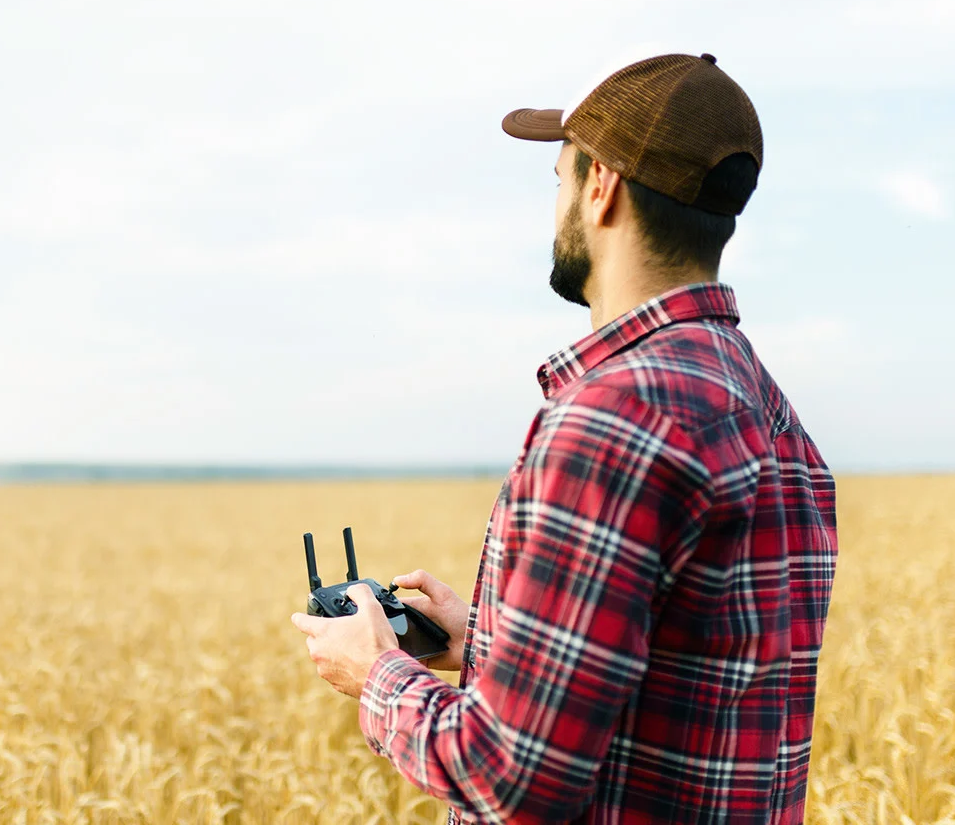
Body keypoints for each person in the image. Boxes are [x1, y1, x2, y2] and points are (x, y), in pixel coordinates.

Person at [290, 52, 838, 824]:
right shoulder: (763, 405)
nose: (557, 207)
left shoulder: (614, 417)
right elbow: (699, 677)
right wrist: (487, 643)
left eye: (560, 180)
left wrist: (375, 670)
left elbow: (514, 778)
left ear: (602, 186)